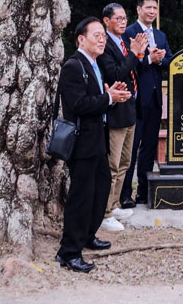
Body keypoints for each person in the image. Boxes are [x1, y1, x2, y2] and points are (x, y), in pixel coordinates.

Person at [55, 16, 131, 273]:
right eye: (96, 35)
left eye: (103, 36)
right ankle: (69, 252)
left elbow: (98, 100)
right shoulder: (73, 66)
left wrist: (112, 96)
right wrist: (108, 98)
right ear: (81, 39)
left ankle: (87, 235)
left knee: (99, 193)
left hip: (98, 140)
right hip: (82, 143)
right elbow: (77, 105)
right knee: (81, 197)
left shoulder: (94, 66)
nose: (102, 39)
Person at [97, 3, 149, 231]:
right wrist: (136, 54)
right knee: (112, 164)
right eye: (117, 18)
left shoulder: (124, 42)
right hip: (115, 112)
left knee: (125, 163)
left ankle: (115, 203)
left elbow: (131, 72)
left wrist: (135, 53)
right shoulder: (104, 45)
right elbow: (115, 73)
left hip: (130, 109)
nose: (122, 21)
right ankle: (104, 211)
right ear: (106, 21)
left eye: (124, 17)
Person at [120, 0, 173, 206]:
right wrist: (150, 58)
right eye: (148, 8)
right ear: (139, 10)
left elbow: (170, 60)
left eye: (155, 8)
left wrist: (159, 59)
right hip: (134, 99)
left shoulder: (160, 35)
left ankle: (144, 192)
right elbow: (127, 63)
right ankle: (124, 194)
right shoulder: (129, 33)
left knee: (149, 148)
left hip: (154, 99)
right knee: (130, 149)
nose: (152, 11)